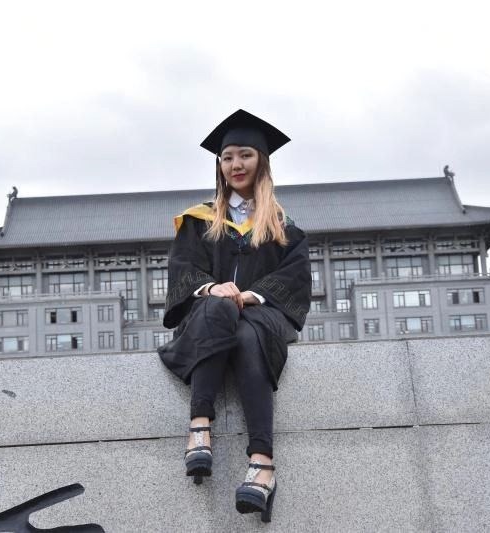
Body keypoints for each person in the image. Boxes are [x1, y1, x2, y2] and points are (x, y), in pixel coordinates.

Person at [158, 109, 311, 522]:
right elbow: (182, 268)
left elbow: (296, 278)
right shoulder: (200, 220)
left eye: (245, 155)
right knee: (220, 308)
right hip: (210, 314)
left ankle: (262, 462)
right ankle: (201, 427)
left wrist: (252, 295)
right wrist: (213, 289)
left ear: (261, 161)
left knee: (247, 334)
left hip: (264, 316)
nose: (235, 165)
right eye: (227, 157)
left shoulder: (283, 226)